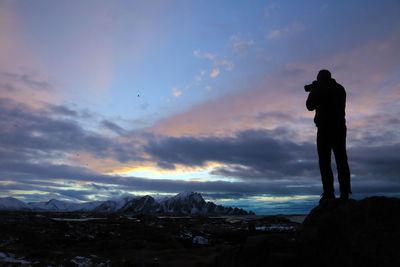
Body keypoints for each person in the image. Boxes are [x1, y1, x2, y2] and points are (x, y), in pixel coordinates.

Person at [305, 69, 351, 203]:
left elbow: (309, 106)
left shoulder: (319, 89)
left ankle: (328, 193)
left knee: (324, 162)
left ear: (320, 79)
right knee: (341, 160)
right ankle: (345, 193)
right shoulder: (339, 88)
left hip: (325, 129)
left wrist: (314, 89)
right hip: (340, 128)